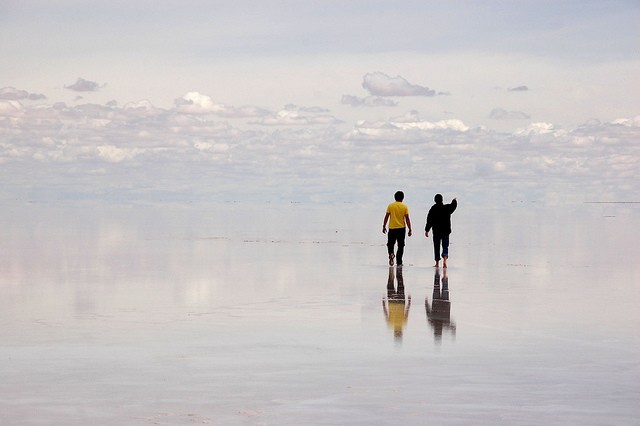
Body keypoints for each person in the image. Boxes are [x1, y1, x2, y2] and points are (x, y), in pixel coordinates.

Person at [425, 194, 457, 268]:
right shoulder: (446, 208)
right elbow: (453, 206)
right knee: (445, 245)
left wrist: (427, 230)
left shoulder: (433, 209)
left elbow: (429, 220)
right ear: (442, 200)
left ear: (435, 200)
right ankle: (445, 260)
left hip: (436, 231)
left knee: (436, 246)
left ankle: (437, 263)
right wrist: (454, 201)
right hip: (445, 231)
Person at [382, 191, 412, 266]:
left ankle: (391, 253)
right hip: (401, 228)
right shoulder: (404, 207)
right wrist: (410, 229)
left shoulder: (390, 206)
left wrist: (384, 226)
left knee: (390, 244)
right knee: (401, 245)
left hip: (392, 228)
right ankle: (399, 261)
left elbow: (386, 216)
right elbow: (407, 219)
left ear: (395, 197)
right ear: (403, 198)